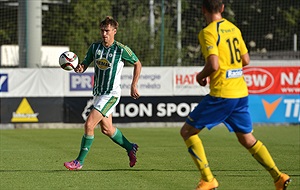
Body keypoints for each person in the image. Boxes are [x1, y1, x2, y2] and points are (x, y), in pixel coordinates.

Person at [180, 0, 291, 190]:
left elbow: (213, 65)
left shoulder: (208, 32)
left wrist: (201, 76)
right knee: (246, 138)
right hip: (240, 92)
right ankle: (278, 176)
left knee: (187, 131)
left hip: (223, 94)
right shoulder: (234, 28)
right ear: (222, 8)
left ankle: (208, 179)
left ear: (203, 9)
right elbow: (246, 59)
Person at [64, 16, 142, 170]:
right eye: (102, 31)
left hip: (111, 94)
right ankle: (130, 147)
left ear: (114, 31)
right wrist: (78, 68)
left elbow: (137, 63)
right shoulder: (95, 48)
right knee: (107, 129)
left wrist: (133, 85)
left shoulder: (121, 49)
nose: (104, 34)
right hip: (99, 93)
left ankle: (79, 162)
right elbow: (84, 65)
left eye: (107, 31)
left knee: (89, 124)